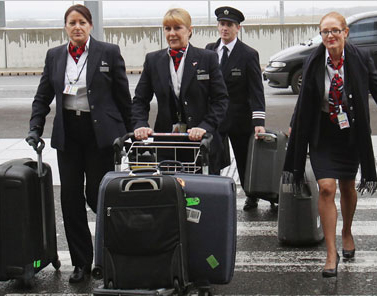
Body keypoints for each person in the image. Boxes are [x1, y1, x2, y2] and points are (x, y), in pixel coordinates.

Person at [285, 11, 377, 278]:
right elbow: (305, 100)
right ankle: (331, 254)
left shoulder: (359, 58)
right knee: (326, 188)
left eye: (335, 31)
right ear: (321, 35)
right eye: (325, 32)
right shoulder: (312, 61)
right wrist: (294, 126)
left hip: (351, 133)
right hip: (322, 133)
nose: (330, 36)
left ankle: (347, 231)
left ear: (345, 32)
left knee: (347, 186)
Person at [25, 4, 132, 283]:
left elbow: (123, 96)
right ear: (65, 27)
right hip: (68, 135)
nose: (77, 27)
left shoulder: (108, 52)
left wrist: (131, 132)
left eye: (82, 22)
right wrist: (35, 128)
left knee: (97, 195)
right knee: (70, 199)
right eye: (72, 22)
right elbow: (42, 97)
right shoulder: (55, 56)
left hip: (100, 134)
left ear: (90, 26)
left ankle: (113, 253)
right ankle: (82, 263)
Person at [132, 8, 229, 174]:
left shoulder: (207, 58)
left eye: (178, 28)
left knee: (201, 195)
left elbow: (221, 100)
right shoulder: (153, 60)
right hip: (167, 146)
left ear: (190, 31)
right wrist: (141, 124)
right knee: (171, 193)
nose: (172, 34)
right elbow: (140, 100)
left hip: (202, 144)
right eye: (167, 29)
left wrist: (205, 126)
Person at [205, 6, 266, 210]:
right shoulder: (209, 51)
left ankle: (251, 194)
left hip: (239, 118)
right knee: (212, 156)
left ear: (238, 28)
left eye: (229, 25)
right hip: (215, 117)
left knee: (244, 159)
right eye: (222, 24)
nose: (225, 28)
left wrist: (259, 121)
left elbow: (256, 90)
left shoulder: (248, 54)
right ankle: (213, 192)